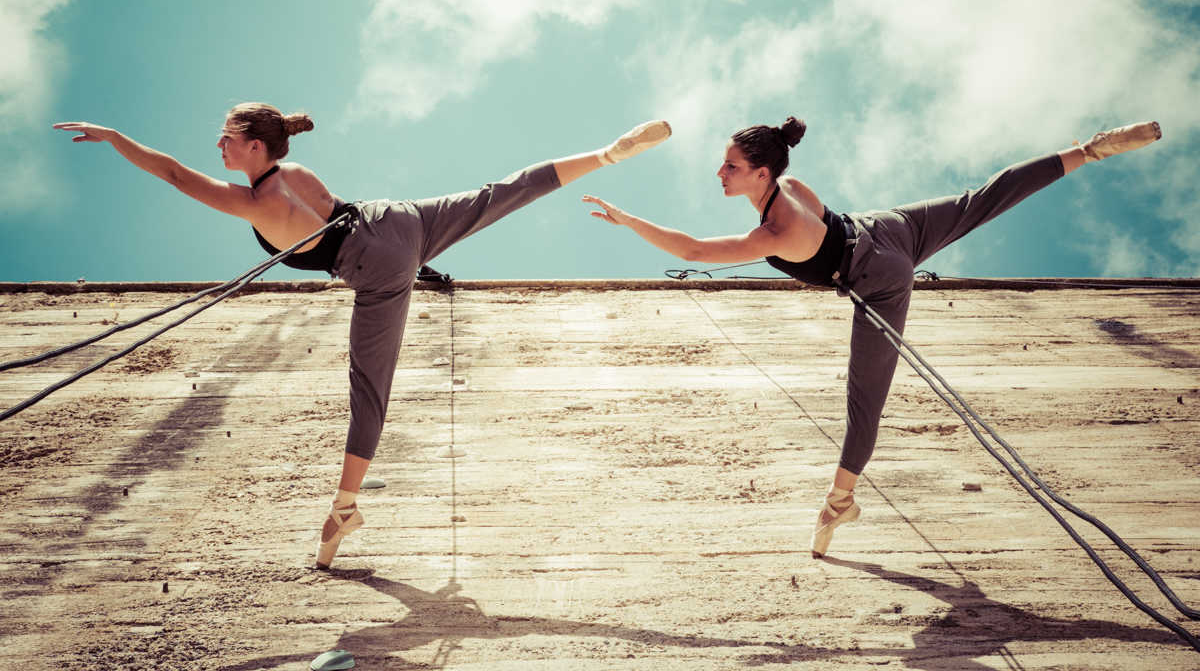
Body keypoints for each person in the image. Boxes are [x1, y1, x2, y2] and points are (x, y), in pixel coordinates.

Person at [54, 105, 671, 568]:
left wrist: (114, 140)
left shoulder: (256, 202)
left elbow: (171, 174)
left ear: (253, 146)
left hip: (377, 265)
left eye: (226, 138)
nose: (217, 144)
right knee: (501, 193)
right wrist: (419, 259)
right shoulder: (296, 169)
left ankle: (345, 508)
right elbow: (343, 214)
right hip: (399, 219)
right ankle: (606, 154)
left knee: (369, 387)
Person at [583, 117, 1161, 558]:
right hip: (888, 227)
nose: (721, 173)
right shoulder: (795, 188)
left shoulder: (773, 231)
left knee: (865, 403)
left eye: (731, 166)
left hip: (879, 276)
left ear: (763, 173)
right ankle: (1088, 149)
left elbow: (692, 251)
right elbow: (822, 221)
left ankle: (839, 503)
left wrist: (627, 220)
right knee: (982, 200)